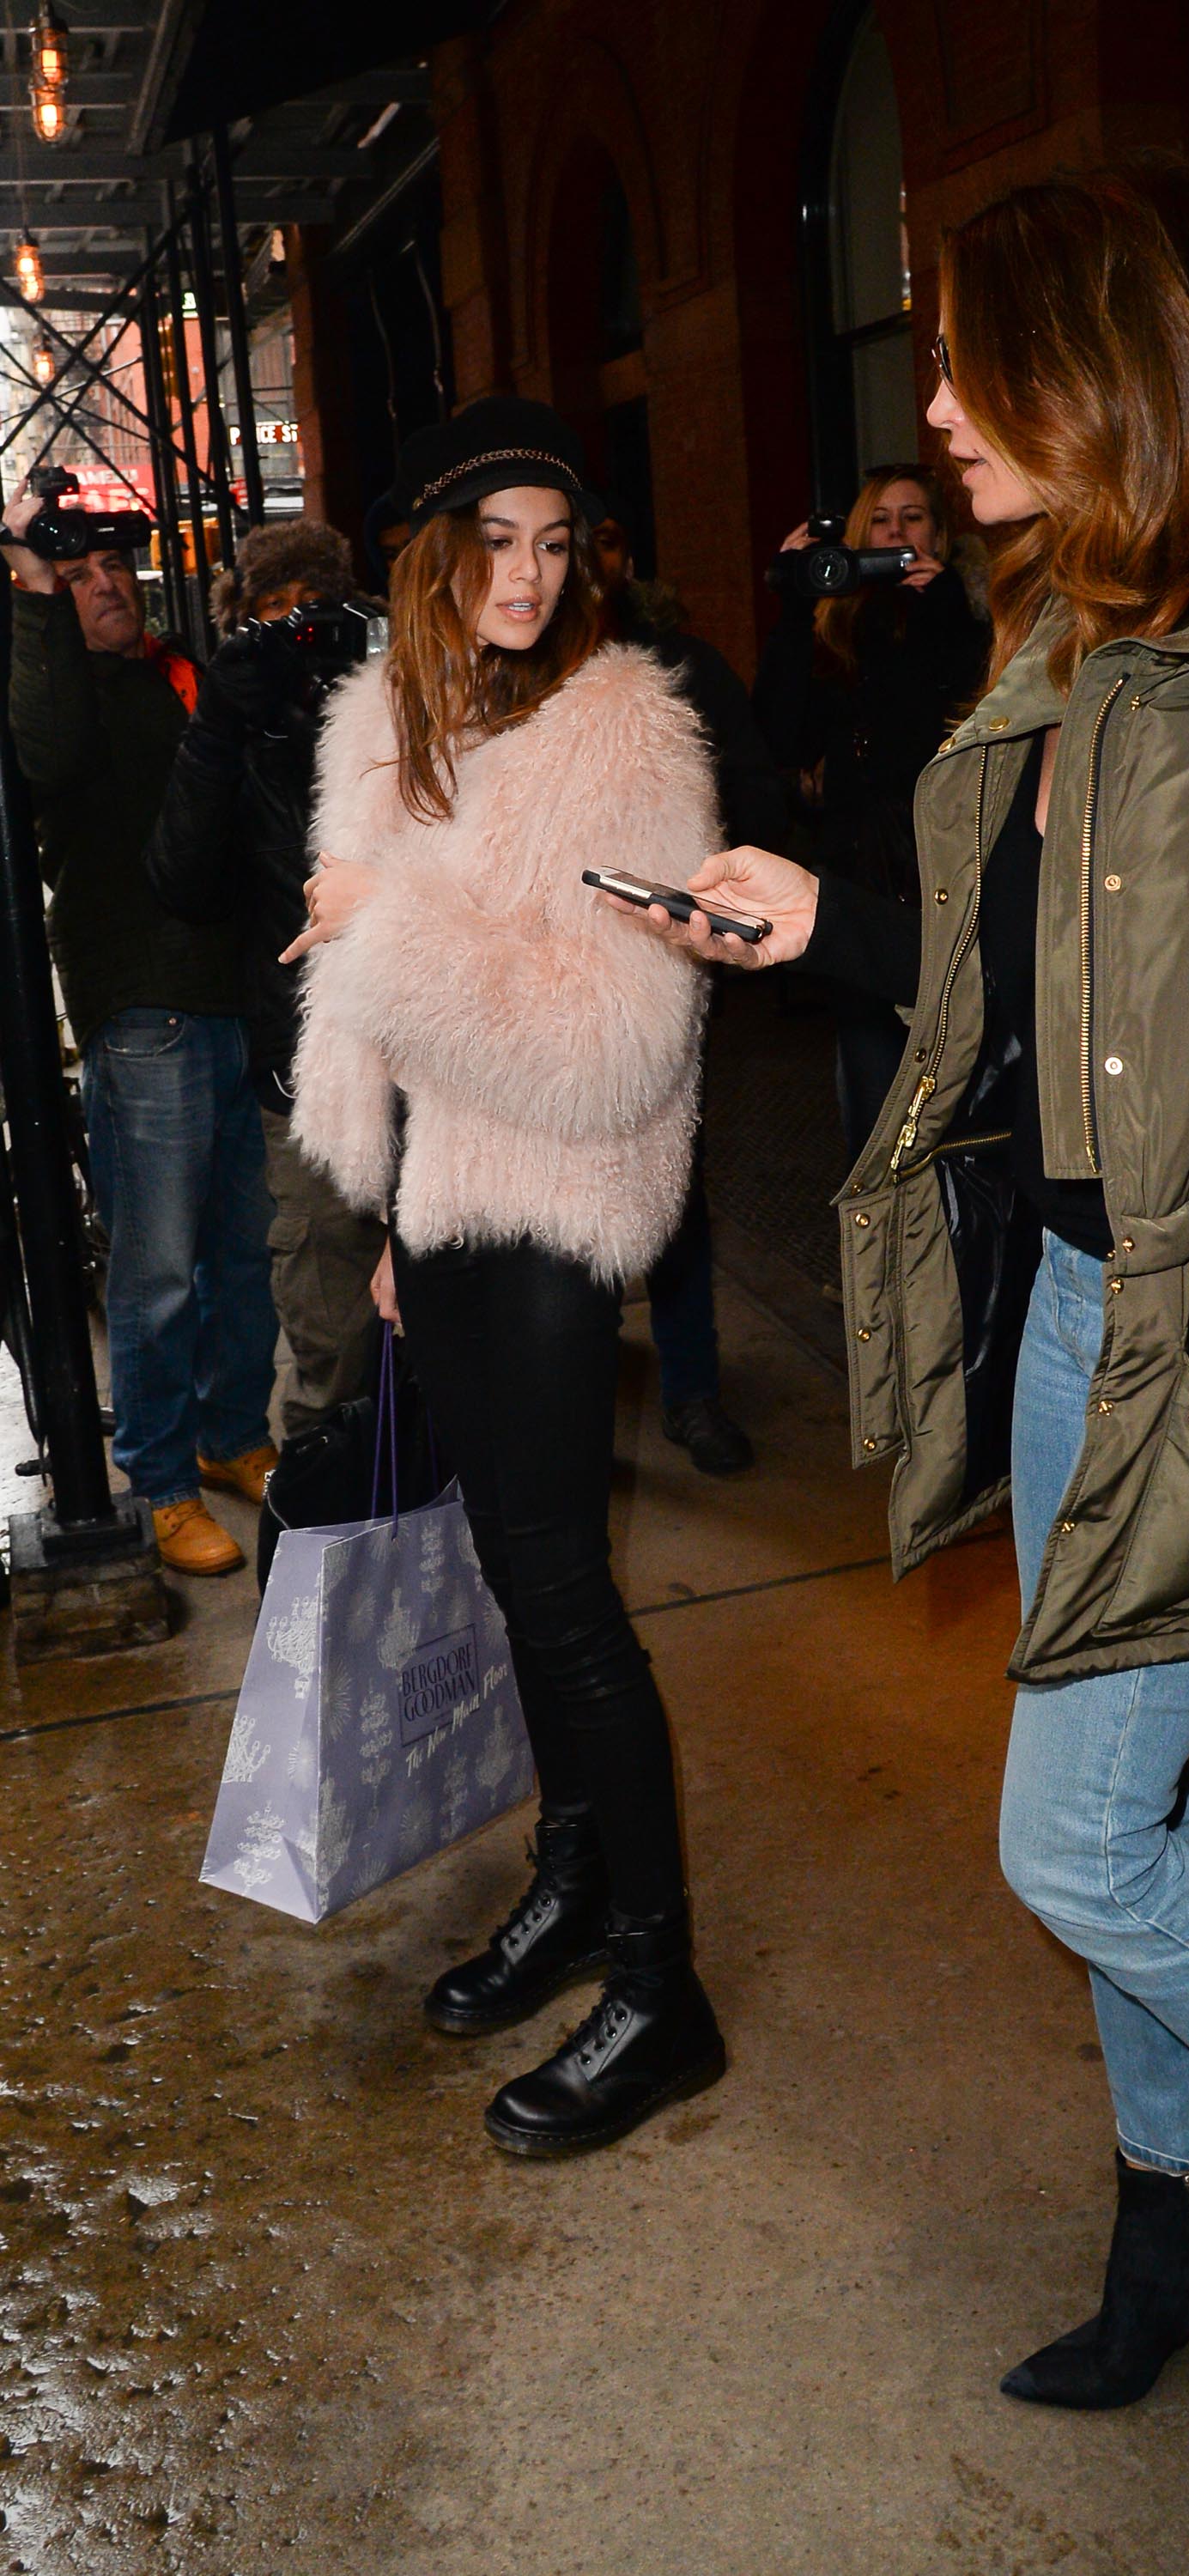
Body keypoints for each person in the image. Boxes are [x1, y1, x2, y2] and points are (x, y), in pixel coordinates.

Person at [613, 162, 1189, 2422]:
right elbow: (1039, 987)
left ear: (1101, 377)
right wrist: (815, 923)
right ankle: (1180, 2202)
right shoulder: (1067, 627)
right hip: (1055, 1305)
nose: (931, 404)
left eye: (968, 361)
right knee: (1130, 1819)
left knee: (1069, 1841)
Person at [285, 396, 725, 2156]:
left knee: (562, 1598)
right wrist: (394, 1217)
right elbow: (388, 1031)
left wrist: (386, 928)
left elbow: (616, 1042)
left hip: (561, 1198)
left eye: (555, 542)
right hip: (452, 1214)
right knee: (510, 1570)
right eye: (496, 541)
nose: (528, 574)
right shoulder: (390, 728)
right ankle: (567, 1881)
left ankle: (659, 1983)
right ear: (433, 558)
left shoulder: (628, 743)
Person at [3, 489, 277, 1577]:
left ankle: (230, 1434)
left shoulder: (177, 675)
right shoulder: (59, 694)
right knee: (158, 1272)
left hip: (232, 998)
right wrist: (32, 589)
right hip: (144, 1009)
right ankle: (158, 1479)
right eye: (80, 576)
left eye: (113, 567)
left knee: (241, 1253)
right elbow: (48, 760)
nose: (106, 582)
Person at [146, 519, 388, 1442]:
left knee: (461, 1318)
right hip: (307, 1064)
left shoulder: (411, 696)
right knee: (330, 1322)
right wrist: (222, 726)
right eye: (269, 615)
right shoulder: (231, 727)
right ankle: (332, 1534)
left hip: (438, 1056)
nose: (293, 632)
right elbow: (181, 883)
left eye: (311, 609)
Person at [594, 501, 789, 1474]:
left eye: (598, 541)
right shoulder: (505, 677)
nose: (577, 566)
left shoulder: (684, 668)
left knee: (675, 1186)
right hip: (545, 978)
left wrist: (695, 857)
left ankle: (690, 1389)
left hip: (664, 966)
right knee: (562, 1194)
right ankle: (577, 1397)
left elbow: (756, 795)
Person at [752, 463, 988, 1154]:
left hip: (948, 880)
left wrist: (940, 610)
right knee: (873, 1087)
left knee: (962, 1091)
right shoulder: (836, 633)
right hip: (858, 887)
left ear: (940, 533)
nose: (896, 532)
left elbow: (944, 726)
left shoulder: (972, 618)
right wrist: (795, 605)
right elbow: (780, 736)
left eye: (912, 517)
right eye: (879, 522)